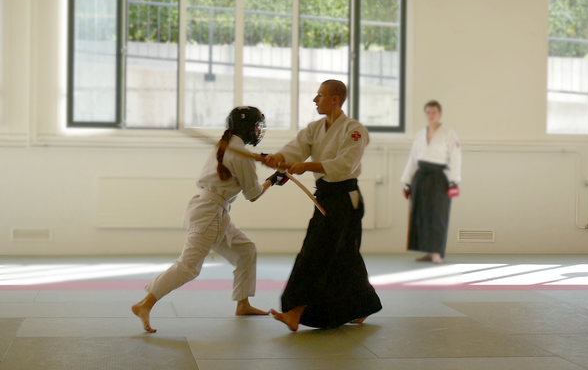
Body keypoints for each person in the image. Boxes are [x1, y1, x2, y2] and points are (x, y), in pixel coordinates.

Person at [132, 106, 274, 333]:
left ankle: (243, 304)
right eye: (256, 126)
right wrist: (273, 180)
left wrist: (265, 162)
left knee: (246, 250)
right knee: (189, 266)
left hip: (213, 211)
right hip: (210, 214)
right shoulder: (239, 153)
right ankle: (145, 303)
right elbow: (253, 194)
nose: (258, 131)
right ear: (248, 128)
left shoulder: (227, 145)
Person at [262, 80, 382, 332]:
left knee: (314, 252)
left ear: (335, 99)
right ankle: (364, 304)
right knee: (346, 255)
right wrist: (278, 159)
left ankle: (295, 310)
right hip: (326, 196)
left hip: (345, 197)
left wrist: (307, 166)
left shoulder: (354, 130)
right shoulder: (315, 129)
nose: (315, 100)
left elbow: (345, 164)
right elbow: (294, 151)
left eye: (319, 96)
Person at [401, 100, 461, 264]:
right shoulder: (420, 134)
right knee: (421, 215)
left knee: (438, 215)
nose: (431, 115)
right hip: (420, 176)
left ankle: (437, 253)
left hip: (438, 177)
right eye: (428, 112)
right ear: (425, 114)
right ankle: (428, 251)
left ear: (440, 114)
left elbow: (455, 158)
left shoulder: (449, 134)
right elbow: (413, 159)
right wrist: (407, 182)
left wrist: (454, 181)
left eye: (434, 112)